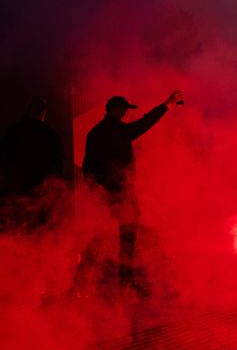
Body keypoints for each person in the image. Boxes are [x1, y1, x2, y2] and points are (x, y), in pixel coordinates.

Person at [75, 90, 183, 295]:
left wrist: (95, 191)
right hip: (122, 194)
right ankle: (124, 283)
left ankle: (79, 283)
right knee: (126, 239)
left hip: (103, 195)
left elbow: (87, 166)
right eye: (125, 110)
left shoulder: (95, 132)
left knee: (98, 238)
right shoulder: (117, 130)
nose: (127, 114)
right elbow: (143, 124)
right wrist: (166, 105)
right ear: (115, 110)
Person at [0, 97, 64, 228]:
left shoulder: (13, 131)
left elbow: (4, 158)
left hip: (17, 186)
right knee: (40, 228)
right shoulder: (50, 134)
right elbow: (58, 165)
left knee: (17, 225)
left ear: (28, 110)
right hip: (42, 189)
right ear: (44, 113)